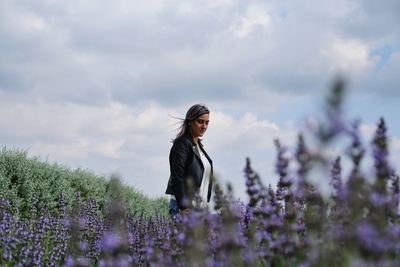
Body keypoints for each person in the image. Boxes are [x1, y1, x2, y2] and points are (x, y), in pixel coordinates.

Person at [165, 104, 213, 219]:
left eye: (207, 123)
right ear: (190, 122)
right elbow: (177, 177)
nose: (204, 126)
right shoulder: (181, 144)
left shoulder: (198, 146)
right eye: (200, 122)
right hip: (185, 208)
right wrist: (184, 207)